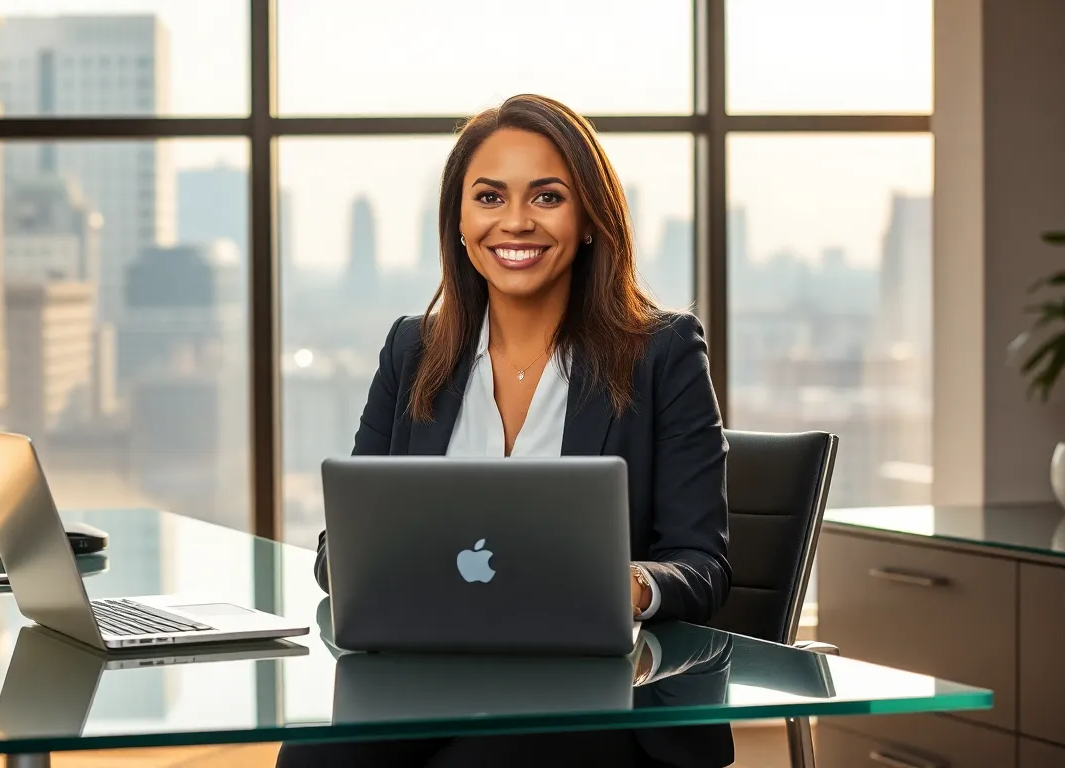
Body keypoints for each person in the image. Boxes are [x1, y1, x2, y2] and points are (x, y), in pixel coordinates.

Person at [277, 93, 732, 768]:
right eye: (489, 198)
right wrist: (363, 566)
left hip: (601, 704)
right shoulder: (413, 351)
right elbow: (337, 552)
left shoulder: (662, 352)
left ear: (587, 220)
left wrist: (631, 584)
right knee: (313, 762)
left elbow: (704, 566)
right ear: (459, 221)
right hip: (427, 686)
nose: (515, 222)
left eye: (547, 198)